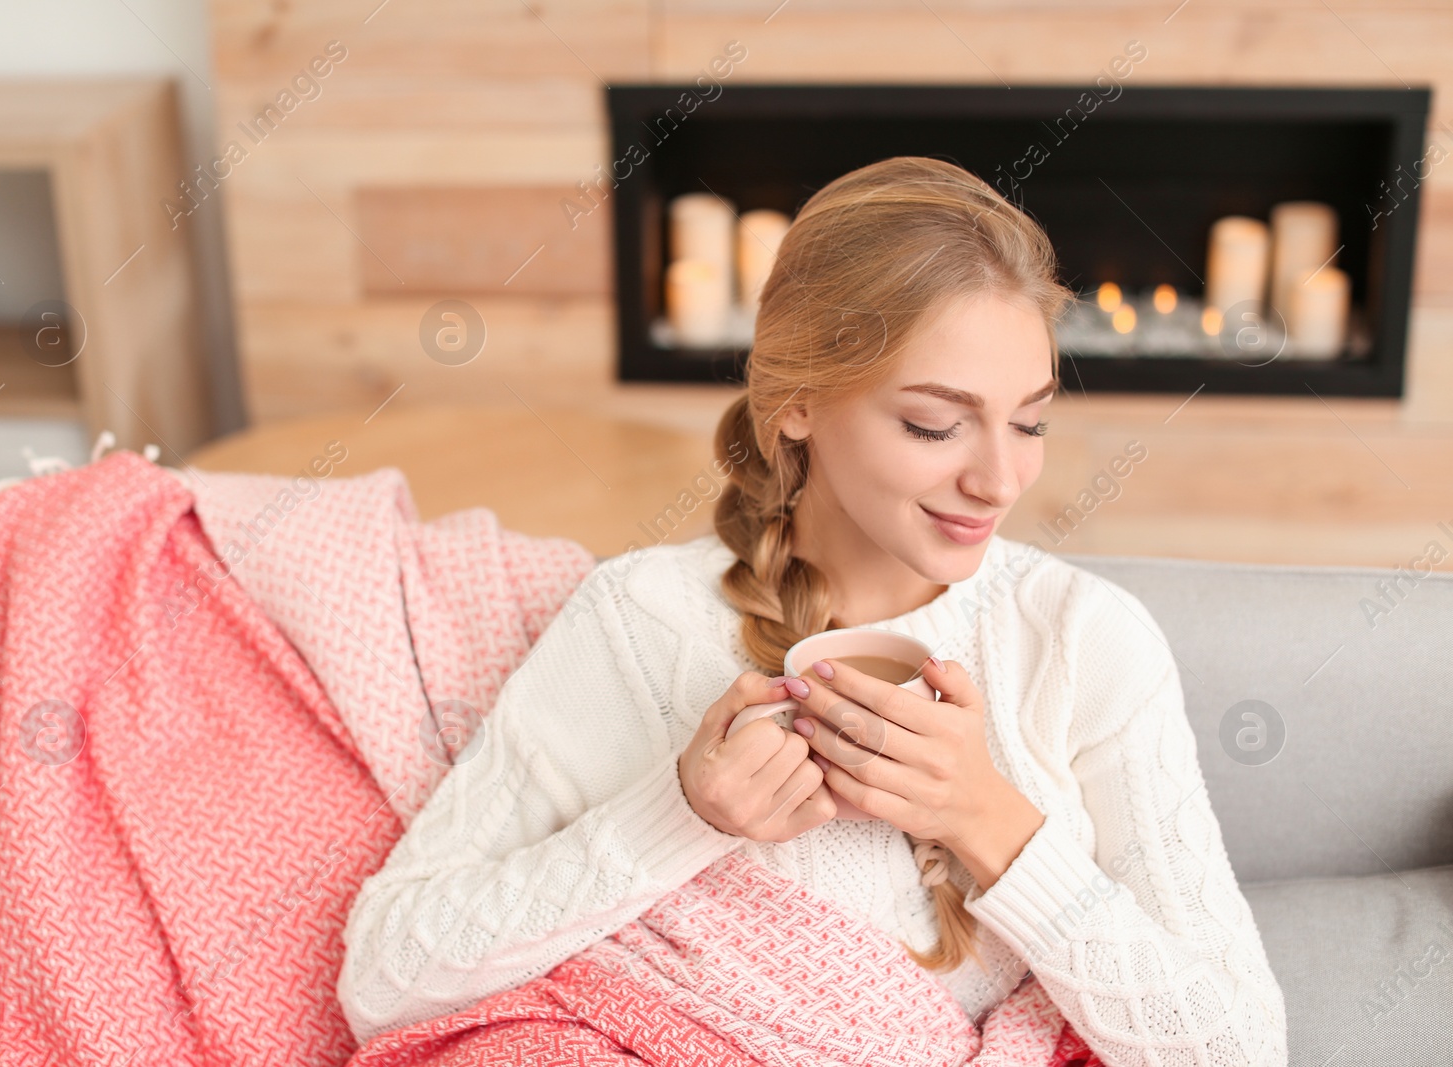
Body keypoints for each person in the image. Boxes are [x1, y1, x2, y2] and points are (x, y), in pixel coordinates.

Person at [336, 156, 1288, 1064]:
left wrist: (986, 817)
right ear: (797, 401)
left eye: (1031, 419)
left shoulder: (1082, 638)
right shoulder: (640, 620)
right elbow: (386, 976)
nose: (1000, 477)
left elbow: (1238, 1049)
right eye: (933, 423)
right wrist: (680, 813)